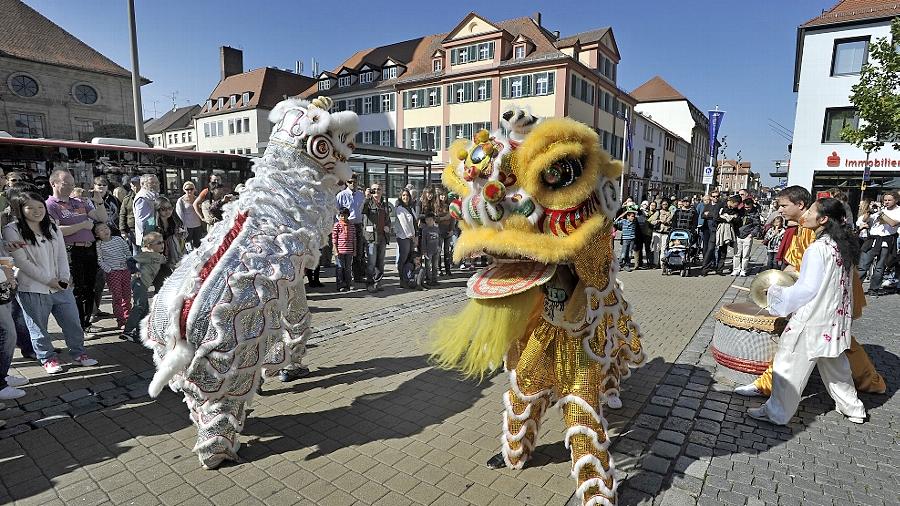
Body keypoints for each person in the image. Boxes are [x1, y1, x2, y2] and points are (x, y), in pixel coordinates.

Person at [736, 186, 885, 397]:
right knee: (838, 341)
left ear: (800, 205)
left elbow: (808, 272)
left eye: (784, 205)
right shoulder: (803, 225)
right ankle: (868, 384)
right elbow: (793, 263)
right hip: (828, 296)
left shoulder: (811, 227)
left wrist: (781, 292)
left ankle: (770, 385)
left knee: (803, 340)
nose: (779, 210)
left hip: (828, 295)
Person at [747, 198, 867, 425]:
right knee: (837, 368)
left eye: (811, 211)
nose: (806, 215)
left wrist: (774, 293)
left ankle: (777, 412)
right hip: (834, 319)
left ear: (822, 220)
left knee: (787, 364)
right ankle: (854, 409)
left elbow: (806, 289)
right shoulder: (841, 245)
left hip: (812, 318)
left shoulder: (817, 248)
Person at [3, 191, 98, 374]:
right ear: (21, 209)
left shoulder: (52, 227)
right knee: (38, 326)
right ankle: (47, 358)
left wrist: (63, 277)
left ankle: (79, 353)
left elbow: (62, 254)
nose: (37, 211)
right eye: (30, 207)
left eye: (40, 207)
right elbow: (22, 262)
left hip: (61, 286)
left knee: (72, 322)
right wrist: (49, 280)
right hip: (33, 287)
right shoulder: (12, 230)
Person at [45, 169, 108, 332]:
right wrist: (82, 225)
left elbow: (102, 218)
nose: (71, 187)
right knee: (77, 289)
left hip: (90, 248)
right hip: (71, 251)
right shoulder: (50, 205)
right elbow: (55, 230)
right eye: (67, 184)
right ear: (54, 184)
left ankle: (86, 323)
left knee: (89, 287)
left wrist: (99, 201)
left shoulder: (80, 202)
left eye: (73, 184)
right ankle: (78, 326)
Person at [120, 232, 166, 342]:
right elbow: (130, 260)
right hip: (139, 283)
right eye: (158, 243)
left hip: (144, 285)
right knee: (139, 306)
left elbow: (167, 262)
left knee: (145, 310)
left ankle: (139, 332)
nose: (162, 245)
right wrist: (135, 271)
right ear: (149, 246)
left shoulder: (159, 256)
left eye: (162, 242)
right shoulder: (146, 255)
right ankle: (127, 331)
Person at [857, 191, 899, 295]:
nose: (887, 202)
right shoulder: (879, 209)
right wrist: (869, 211)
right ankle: (855, 288)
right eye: (885, 200)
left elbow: (893, 223)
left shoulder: (898, 211)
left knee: (880, 267)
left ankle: (873, 289)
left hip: (886, 241)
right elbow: (865, 221)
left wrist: (881, 213)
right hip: (872, 240)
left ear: (896, 200)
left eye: (889, 200)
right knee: (863, 265)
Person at [0, 246, 27, 400]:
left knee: (7, 334)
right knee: (7, 333)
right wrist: (3, 273)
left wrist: (9, 276)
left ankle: (3, 375)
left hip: (4, 286)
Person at [94, 223, 131, 328]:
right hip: (113, 273)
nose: (105, 231)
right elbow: (100, 260)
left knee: (127, 296)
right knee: (117, 297)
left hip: (125, 270)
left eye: (106, 228)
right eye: (101, 230)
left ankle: (128, 318)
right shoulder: (99, 244)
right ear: (97, 235)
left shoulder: (118, 239)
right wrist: (109, 270)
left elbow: (127, 252)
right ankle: (121, 320)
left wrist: (130, 265)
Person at [335, 175, 366, 285]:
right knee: (344, 253)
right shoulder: (341, 195)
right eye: (350, 182)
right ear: (346, 183)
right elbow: (336, 211)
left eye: (355, 182)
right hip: (345, 225)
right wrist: (342, 224)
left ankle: (357, 276)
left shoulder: (360, 195)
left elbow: (362, 210)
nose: (353, 184)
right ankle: (343, 280)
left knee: (358, 251)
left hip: (357, 225)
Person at [362, 184, 392, 292]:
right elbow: (362, 210)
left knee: (380, 262)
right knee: (371, 262)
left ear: (382, 190)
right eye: (374, 189)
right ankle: (370, 283)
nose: (376, 191)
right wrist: (366, 197)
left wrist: (388, 226)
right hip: (371, 237)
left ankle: (378, 282)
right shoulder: (368, 203)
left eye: (378, 189)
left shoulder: (384, 204)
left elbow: (388, 219)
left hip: (382, 237)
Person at [153, 197, 186, 289]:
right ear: (157, 209)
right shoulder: (151, 223)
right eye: (163, 209)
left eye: (170, 208)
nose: (167, 211)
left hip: (172, 258)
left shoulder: (174, 221)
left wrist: (180, 236)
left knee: (171, 285)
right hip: (156, 259)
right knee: (160, 287)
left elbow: (180, 240)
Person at [394, 189, 418, 288]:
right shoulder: (400, 208)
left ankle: (408, 278)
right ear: (400, 196)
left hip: (411, 237)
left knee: (409, 259)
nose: (405, 197)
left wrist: (415, 236)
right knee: (403, 259)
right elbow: (404, 224)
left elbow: (414, 222)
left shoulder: (410, 208)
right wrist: (412, 237)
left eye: (407, 195)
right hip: (404, 237)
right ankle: (402, 280)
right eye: (403, 195)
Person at [732, 198, 760, 277]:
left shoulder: (755, 213)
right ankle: (736, 269)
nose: (747, 209)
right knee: (736, 254)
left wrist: (751, 234)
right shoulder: (741, 211)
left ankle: (743, 270)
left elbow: (757, 225)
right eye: (746, 207)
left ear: (752, 206)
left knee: (745, 255)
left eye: (749, 208)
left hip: (747, 236)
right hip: (738, 234)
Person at [331, 207, 355, 292]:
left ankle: (348, 284)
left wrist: (354, 250)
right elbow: (334, 239)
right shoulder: (337, 225)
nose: (343, 217)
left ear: (348, 215)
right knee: (340, 268)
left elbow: (354, 239)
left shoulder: (351, 225)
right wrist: (335, 250)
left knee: (348, 268)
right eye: (341, 216)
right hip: (340, 251)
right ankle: (340, 285)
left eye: (345, 215)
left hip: (349, 251)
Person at [133, 174, 160, 247]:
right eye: (151, 183)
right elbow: (144, 221)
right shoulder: (142, 197)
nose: (155, 184)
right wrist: (151, 236)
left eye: (157, 182)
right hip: (149, 238)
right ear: (142, 184)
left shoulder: (153, 195)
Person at [176, 181, 204, 249]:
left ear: (194, 189)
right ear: (184, 190)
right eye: (187, 189)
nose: (189, 191)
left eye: (191, 189)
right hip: (187, 226)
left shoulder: (198, 199)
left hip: (197, 225)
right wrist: (183, 226)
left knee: (198, 245)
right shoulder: (181, 200)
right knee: (188, 245)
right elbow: (179, 213)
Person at [434, 190, 454, 276]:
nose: (443, 197)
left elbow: (452, 218)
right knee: (438, 251)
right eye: (441, 195)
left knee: (447, 251)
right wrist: (445, 217)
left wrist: (451, 229)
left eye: (444, 195)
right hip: (439, 231)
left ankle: (447, 269)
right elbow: (436, 218)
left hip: (448, 230)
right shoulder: (436, 206)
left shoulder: (449, 206)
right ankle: (439, 269)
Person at [118, 176, 141, 251]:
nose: (135, 187)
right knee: (136, 250)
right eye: (133, 185)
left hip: (145, 227)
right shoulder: (127, 199)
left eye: (136, 184)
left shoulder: (147, 197)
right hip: (132, 229)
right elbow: (122, 214)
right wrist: (122, 230)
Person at [648, 200, 672, 268]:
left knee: (663, 248)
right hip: (657, 232)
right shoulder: (658, 212)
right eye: (663, 204)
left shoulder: (670, 213)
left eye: (666, 204)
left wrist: (667, 223)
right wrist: (659, 221)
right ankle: (655, 263)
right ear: (661, 205)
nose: (664, 205)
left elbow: (671, 222)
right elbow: (650, 221)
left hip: (665, 232)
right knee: (656, 248)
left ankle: (662, 264)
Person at [418, 213, 441, 286]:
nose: (429, 221)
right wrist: (424, 251)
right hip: (428, 251)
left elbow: (439, 238)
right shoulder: (425, 230)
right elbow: (423, 241)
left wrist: (440, 246)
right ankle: (428, 280)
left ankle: (435, 279)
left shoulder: (437, 228)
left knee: (435, 266)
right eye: (427, 220)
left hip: (436, 250)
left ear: (434, 220)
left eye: (431, 220)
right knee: (428, 266)